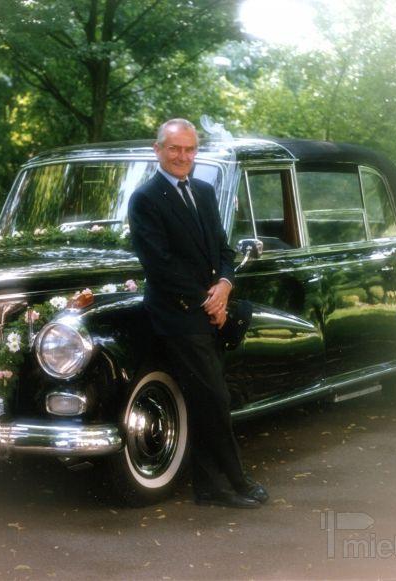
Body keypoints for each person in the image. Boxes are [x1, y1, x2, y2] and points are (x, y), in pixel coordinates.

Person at [128, 118, 269, 509]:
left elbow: (223, 251)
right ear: (158, 150)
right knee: (214, 399)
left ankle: (210, 487)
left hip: (209, 310)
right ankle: (235, 483)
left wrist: (224, 287)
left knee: (210, 399)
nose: (183, 156)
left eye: (190, 149)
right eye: (174, 149)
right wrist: (208, 303)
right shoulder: (145, 198)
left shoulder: (204, 192)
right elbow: (160, 265)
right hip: (177, 316)